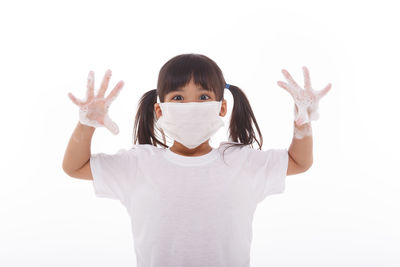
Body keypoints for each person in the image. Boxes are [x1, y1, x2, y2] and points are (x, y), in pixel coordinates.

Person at [62, 53, 331, 267]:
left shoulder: (242, 162)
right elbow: (75, 167)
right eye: (178, 98)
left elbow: (299, 161)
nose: (191, 106)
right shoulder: (139, 165)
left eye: (203, 97)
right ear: (160, 110)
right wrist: (86, 124)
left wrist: (302, 123)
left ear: (222, 107)